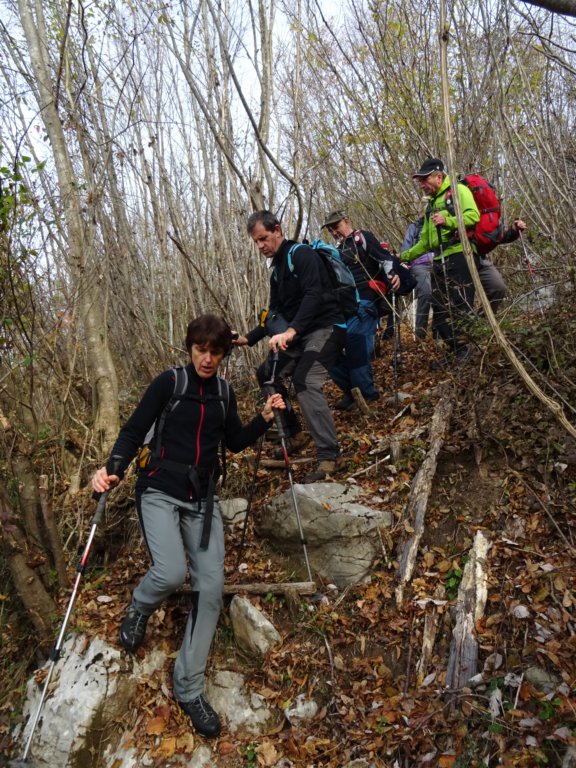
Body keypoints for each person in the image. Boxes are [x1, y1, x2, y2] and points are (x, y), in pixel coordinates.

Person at [91, 314, 285, 739]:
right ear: (190, 348)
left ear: (224, 353)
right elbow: (133, 431)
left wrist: (264, 419)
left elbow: (233, 441)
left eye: (215, 351)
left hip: (201, 499)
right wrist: (112, 468)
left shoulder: (223, 393)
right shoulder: (170, 383)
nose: (207, 358)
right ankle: (140, 607)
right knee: (170, 572)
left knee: (211, 589)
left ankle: (189, 687)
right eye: (201, 349)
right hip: (158, 489)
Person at [233, 210, 346, 483]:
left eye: (263, 238)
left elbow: (313, 294)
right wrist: (247, 338)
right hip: (298, 336)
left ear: (277, 230)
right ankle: (294, 433)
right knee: (266, 373)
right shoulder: (276, 271)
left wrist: (292, 330)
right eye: (256, 241)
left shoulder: (301, 254)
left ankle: (330, 455)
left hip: (327, 328)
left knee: (305, 380)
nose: (260, 246)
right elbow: (274, 313)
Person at [401, 158, 480, 366]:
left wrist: (449, 221)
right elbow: (426, 242)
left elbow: (474, 216)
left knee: (460, 306)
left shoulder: (458, 191)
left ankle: (466, 352)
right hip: (439, 259)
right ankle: (455, 351)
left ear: (438, 176)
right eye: (420, 181)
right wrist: (403, 257)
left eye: (424, 179)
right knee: (440, 311)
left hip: (460, 255)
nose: (421, 185)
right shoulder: (431, 205)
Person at [320, 210, 399, 410]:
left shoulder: (362, 237)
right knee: (328, 349)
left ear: (346, 221)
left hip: (365, 302)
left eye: (336, 227)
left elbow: (385, 258)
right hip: (344, 306)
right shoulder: (338, 250)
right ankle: (351, 390)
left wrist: (393, 274)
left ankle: (367, 394)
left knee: (356, 343)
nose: (334, 232)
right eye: (330, 230)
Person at [476, 219, 527, 312]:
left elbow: (498, 235)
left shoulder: (487, 214)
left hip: (478, 259)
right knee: (463, 295)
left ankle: (483, 318)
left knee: (497, 288)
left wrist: (514, 230)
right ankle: (460, 319)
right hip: (455, 258)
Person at [401, 216, 433, 339]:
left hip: (439, 262)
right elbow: (407, 244)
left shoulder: (438, 222)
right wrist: (404, 261)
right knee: (426, 292)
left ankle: (439, 332)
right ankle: (420, 333)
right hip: (419, 264)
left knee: (441, 295)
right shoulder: (414, 227)